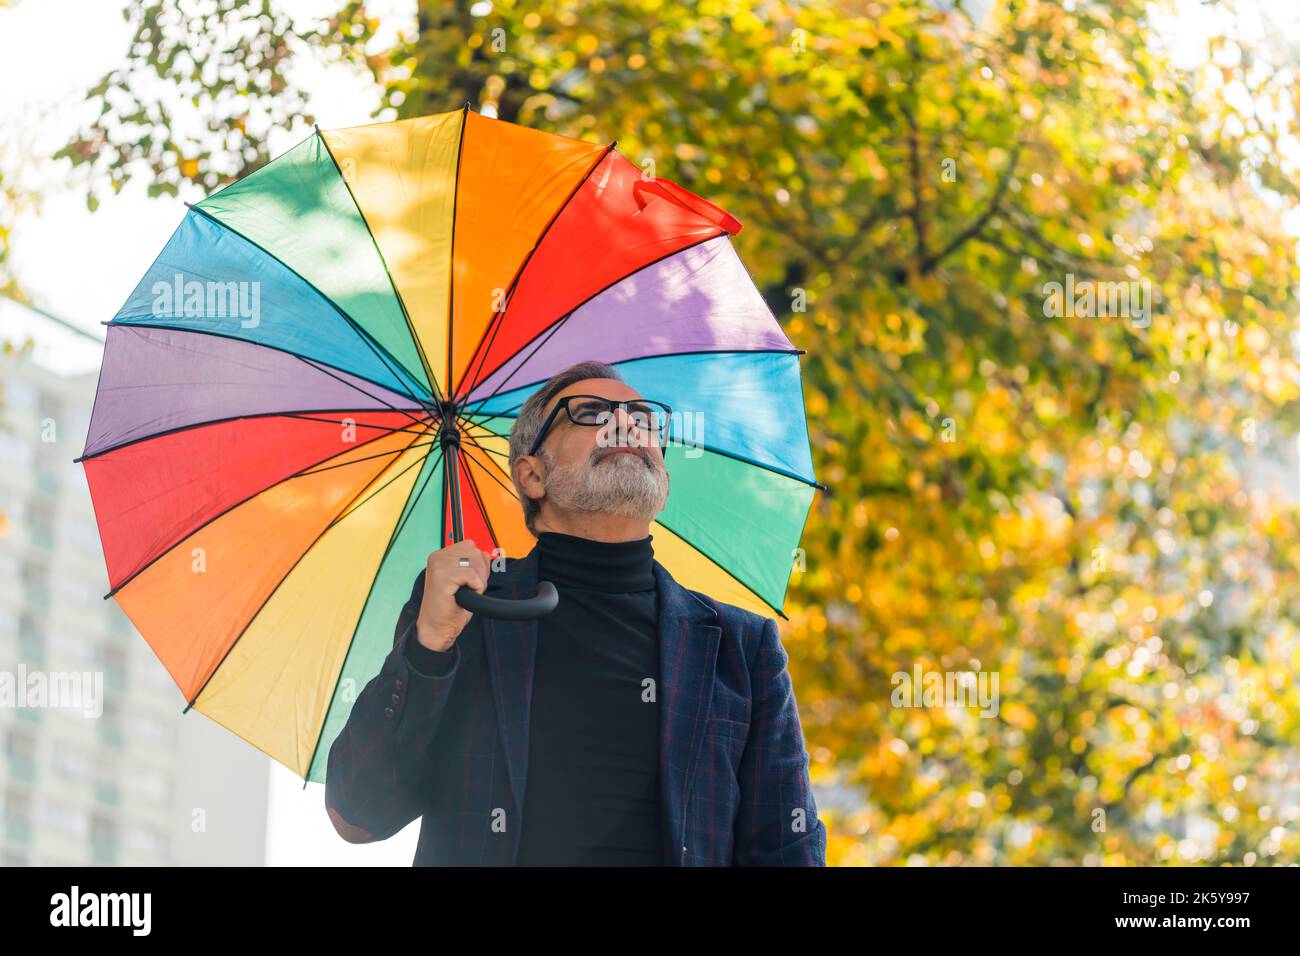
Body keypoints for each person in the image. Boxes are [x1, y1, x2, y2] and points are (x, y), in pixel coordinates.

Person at [324, 360, 826, 865]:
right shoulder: (467, 608)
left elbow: (789, 849)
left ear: (664, 479)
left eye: (643, 418)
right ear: (532, 475)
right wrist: (429, 645)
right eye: (590, 413)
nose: (624, 423)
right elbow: (358, 813)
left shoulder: (742, 647)